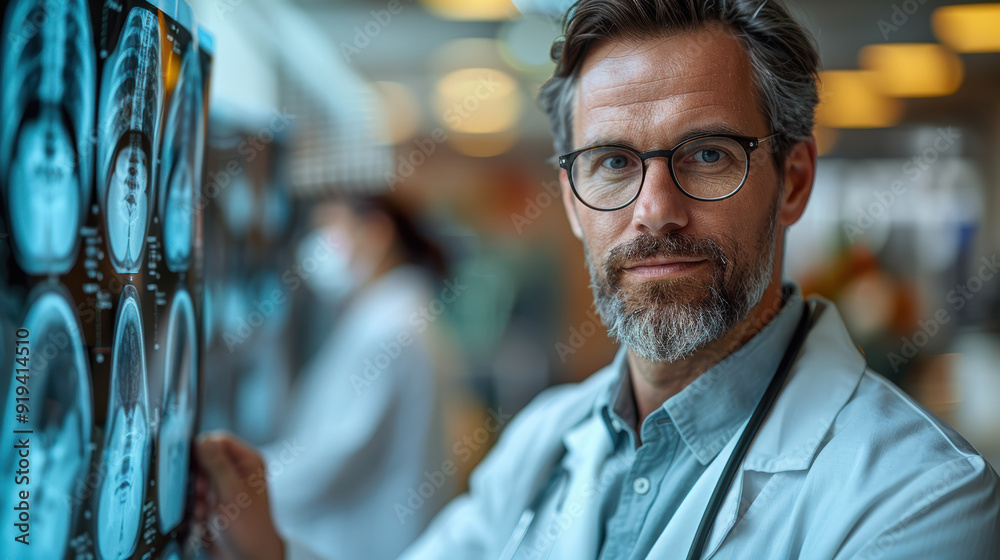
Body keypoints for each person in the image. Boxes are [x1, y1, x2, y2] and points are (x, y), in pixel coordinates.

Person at [194, 1, 1000, 559]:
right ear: (574, 203)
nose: (655, 210)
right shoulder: (545, 444)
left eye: (708, 155)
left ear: (793, 181)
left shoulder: (917, 501)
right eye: (613, 163)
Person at [234, 195, 457, 560]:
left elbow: (332, 457)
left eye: (329, 228)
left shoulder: (387, 328)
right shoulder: (390, 314)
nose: (317, 244)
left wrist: (239, 485)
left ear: (376, 233)